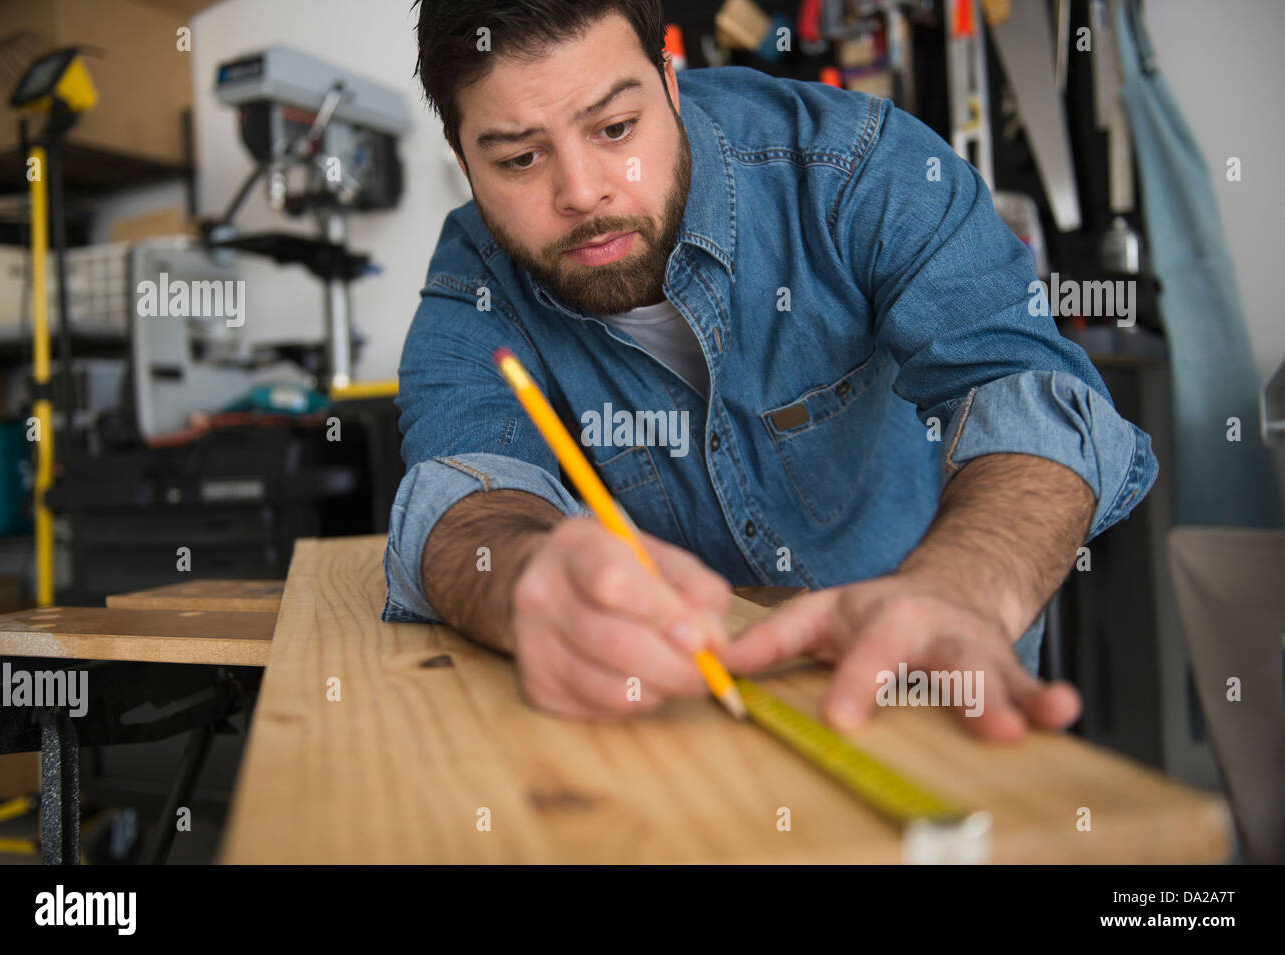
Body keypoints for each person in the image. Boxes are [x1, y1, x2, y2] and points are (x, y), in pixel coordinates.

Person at [384, 0, 1158, 740]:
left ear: (670, 84)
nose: (583, 192)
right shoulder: (473, 281)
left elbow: (1029, 391)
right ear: (463, 161)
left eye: (616, 127)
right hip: (674, 713)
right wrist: (521, 579)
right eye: (519, 157)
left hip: (933, 673)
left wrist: (960, 589)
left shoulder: (857, 168)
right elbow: (466, 492)